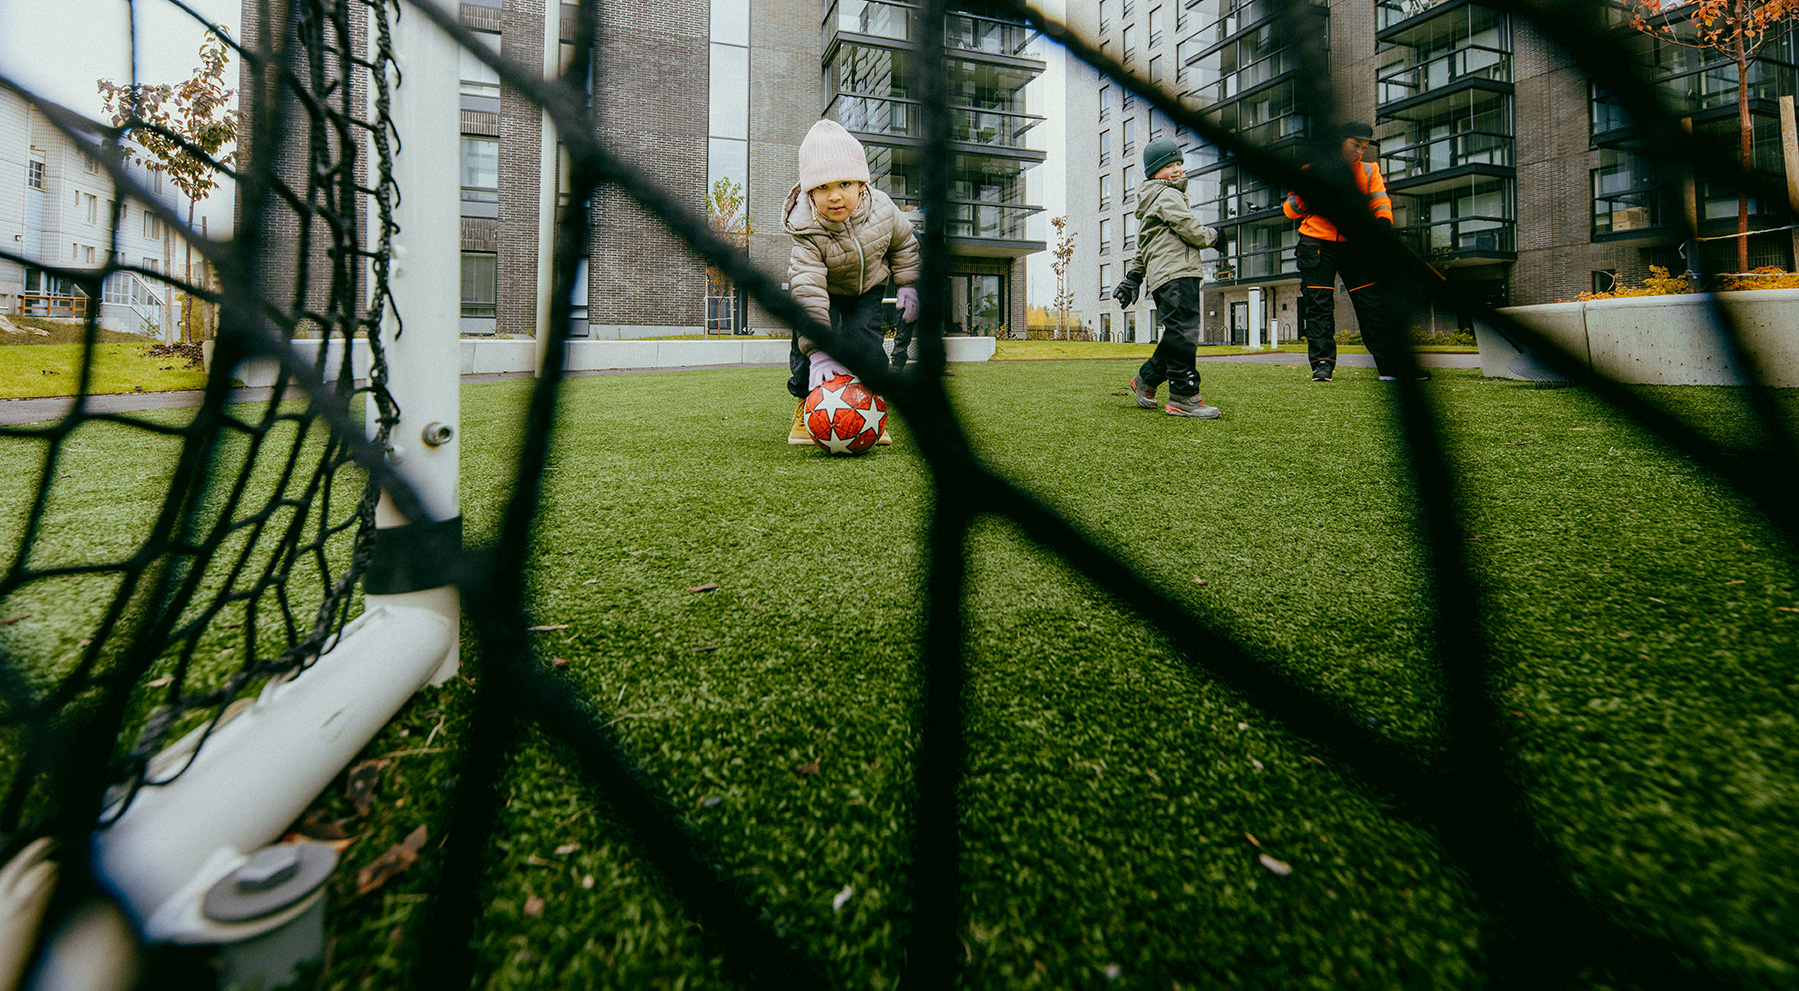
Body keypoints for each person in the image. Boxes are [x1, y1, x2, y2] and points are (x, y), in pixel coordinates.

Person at [783, 119, 920, 443]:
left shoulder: (883, 209)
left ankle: (868, 409)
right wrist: (818, 350)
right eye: (822, 187)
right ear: (809, 191)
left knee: (867, 345)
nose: (834, 196)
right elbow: (808, 288)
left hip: (866, 287)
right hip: (822, 290)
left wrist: (908, 283)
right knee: (805, 350)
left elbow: (904, 244)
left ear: (861, 184)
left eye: (844, 183)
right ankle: (806, 405)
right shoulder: (805, 228)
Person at [1281, 121, 1423, 382]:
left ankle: (1391, 367)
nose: (1360, 151)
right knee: (1319, 307)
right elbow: (1290, 209)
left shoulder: (1370, 171)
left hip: (1356, 246)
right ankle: (1322, 365)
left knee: (1373, 304)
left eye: (1364, 147)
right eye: (1355, 145)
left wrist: (1381, 223)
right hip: (1315, 244)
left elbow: (1381, 200)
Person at [1111, 136, 1221, 418]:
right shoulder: (1168, 195)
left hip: (1166, 276)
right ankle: (1183, 395)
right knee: (1183, 334)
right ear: (1153, 171)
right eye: (1169, 165)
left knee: (1176, 333)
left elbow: (1144, 244)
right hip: (1177, 274)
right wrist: (1216, 236)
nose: (1177, 169)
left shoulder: (1153, 201)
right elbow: (1190, 229)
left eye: (1179, 163)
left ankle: (1146, 379)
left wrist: (1133, 277)